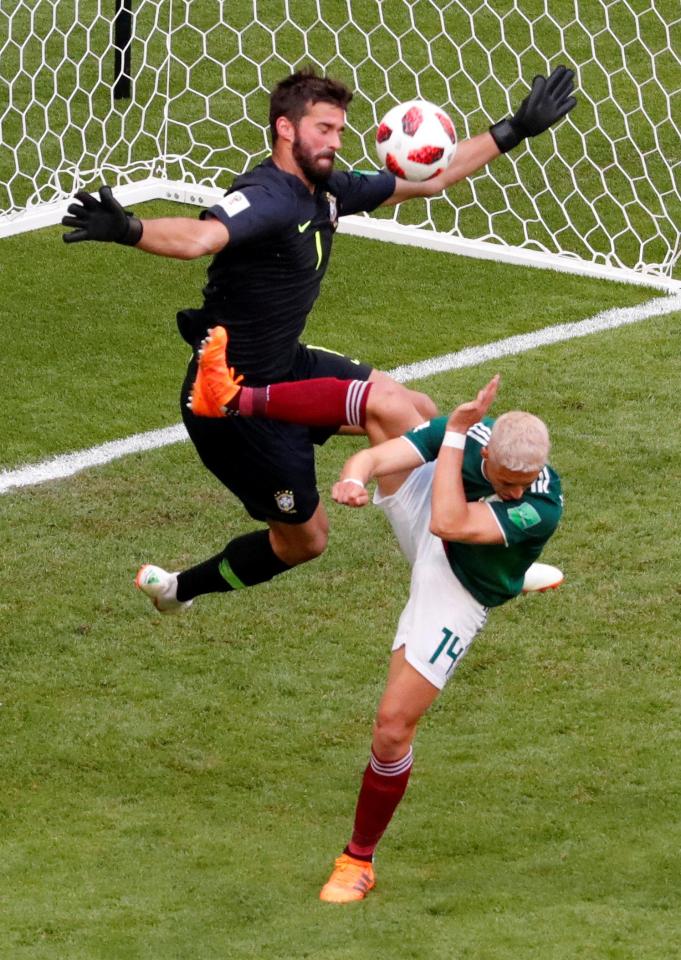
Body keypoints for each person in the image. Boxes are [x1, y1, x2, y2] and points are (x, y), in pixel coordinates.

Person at [61, 66, 575, 612]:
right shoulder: (268, 196)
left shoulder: (327, 189)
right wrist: (130, 229)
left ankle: (470, 563)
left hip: (287, 366)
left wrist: (514, 130)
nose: (334, 142)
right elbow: (201, 236)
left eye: (339, 132)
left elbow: (433, 180)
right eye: (323, 129)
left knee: (416, 411)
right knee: (305, 543)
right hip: (233, 401)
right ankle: (180, 591)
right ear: (286, 129)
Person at [308, 374, 563, 902]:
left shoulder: (541, 504)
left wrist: (449, 437)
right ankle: (245, 402)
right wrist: (353, 478)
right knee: (391, 410)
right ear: (488, 451)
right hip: (439, 517)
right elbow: (373, 462)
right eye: (507, 479)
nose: (516, 489)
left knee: (392, 728)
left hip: (460, 582)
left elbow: (449, 521)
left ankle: (359, 859)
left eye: (526, 480)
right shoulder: (470, 436)